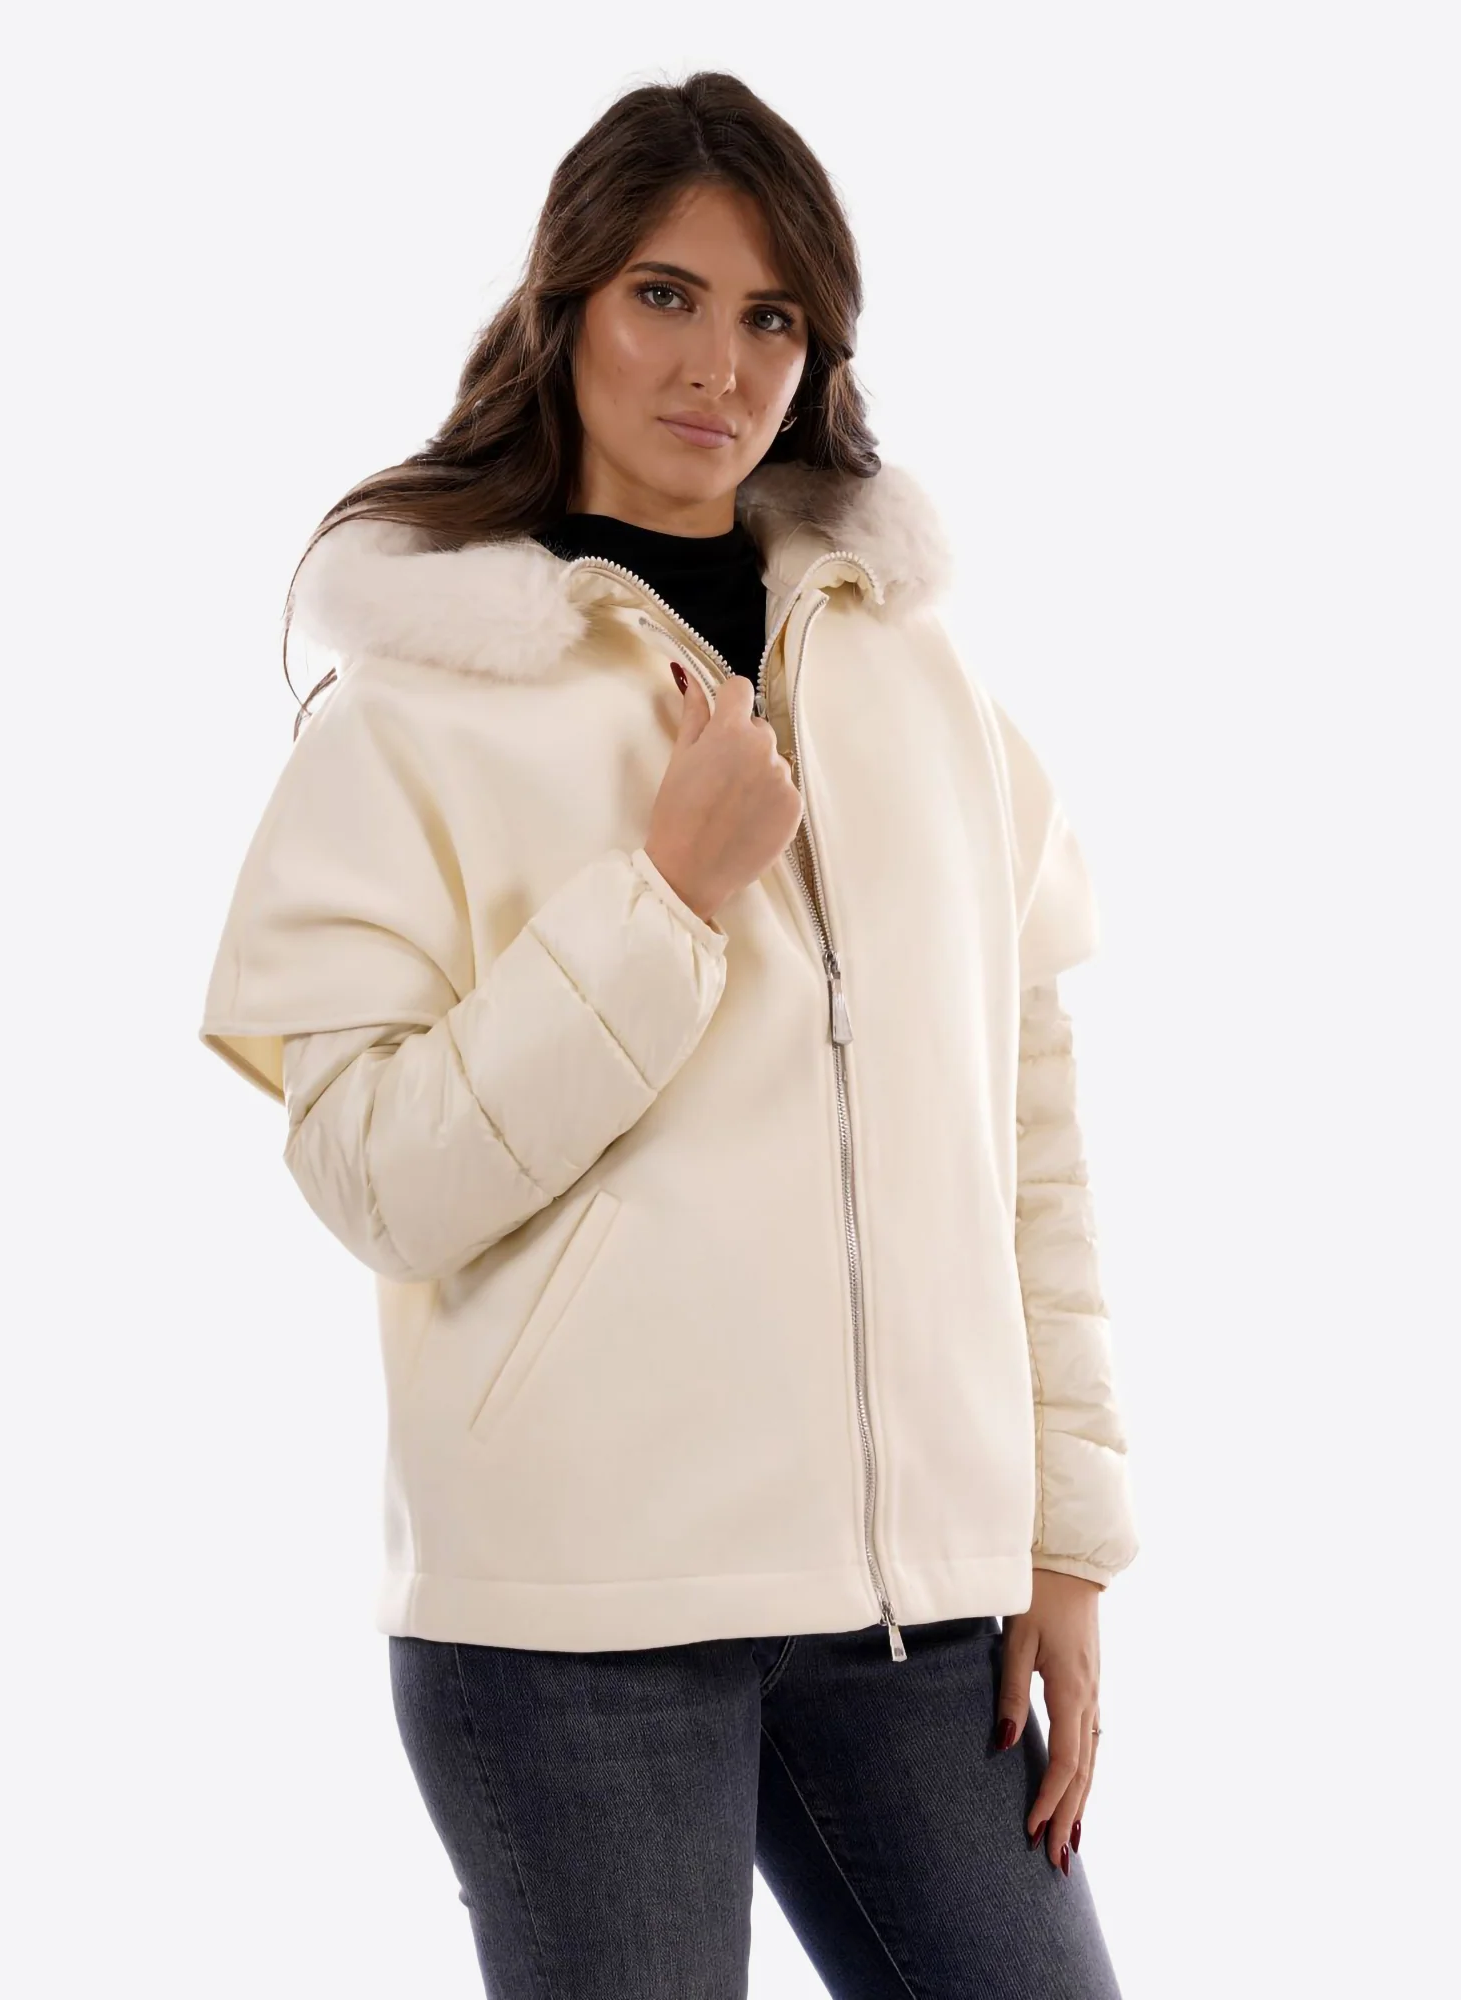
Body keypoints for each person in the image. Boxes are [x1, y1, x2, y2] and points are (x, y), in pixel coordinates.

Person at [198, 68, 1138, 2000]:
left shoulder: (914, 676)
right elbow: (374, 1178)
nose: (720, 365)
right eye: (665, 295)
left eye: (772, 315)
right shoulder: (419, 708)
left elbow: (1024, 1123)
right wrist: (664, 901)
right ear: (564, 307)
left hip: (920, 1618)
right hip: (575, 1629)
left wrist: (1064, 1538)